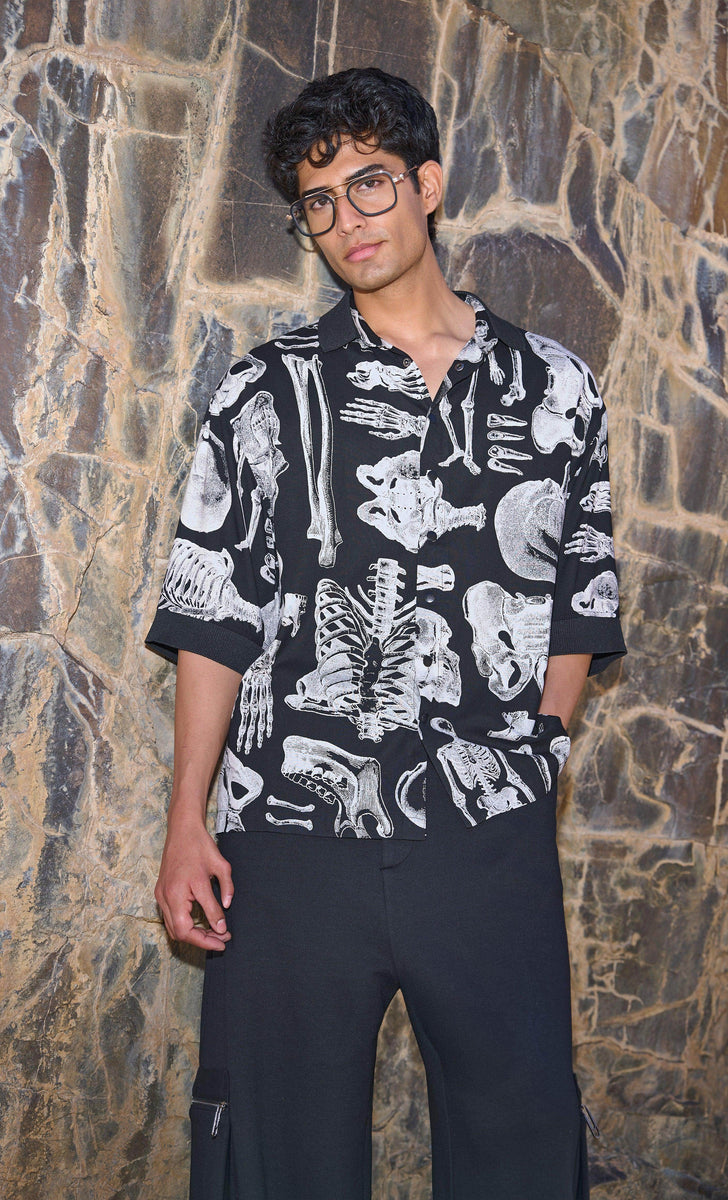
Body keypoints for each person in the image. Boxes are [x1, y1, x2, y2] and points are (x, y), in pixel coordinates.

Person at [146, 65, 625, 1200]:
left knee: (519, 1140)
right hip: (289, 836)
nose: (346, 219)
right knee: (274, 1156)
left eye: (368, 183)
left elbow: (579, 595)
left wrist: (539, 753)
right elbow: (213, 615)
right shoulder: (264, 394)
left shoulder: (555, 390)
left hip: (486, 834)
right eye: (318, 201)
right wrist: (185, 820)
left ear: (427, 185)